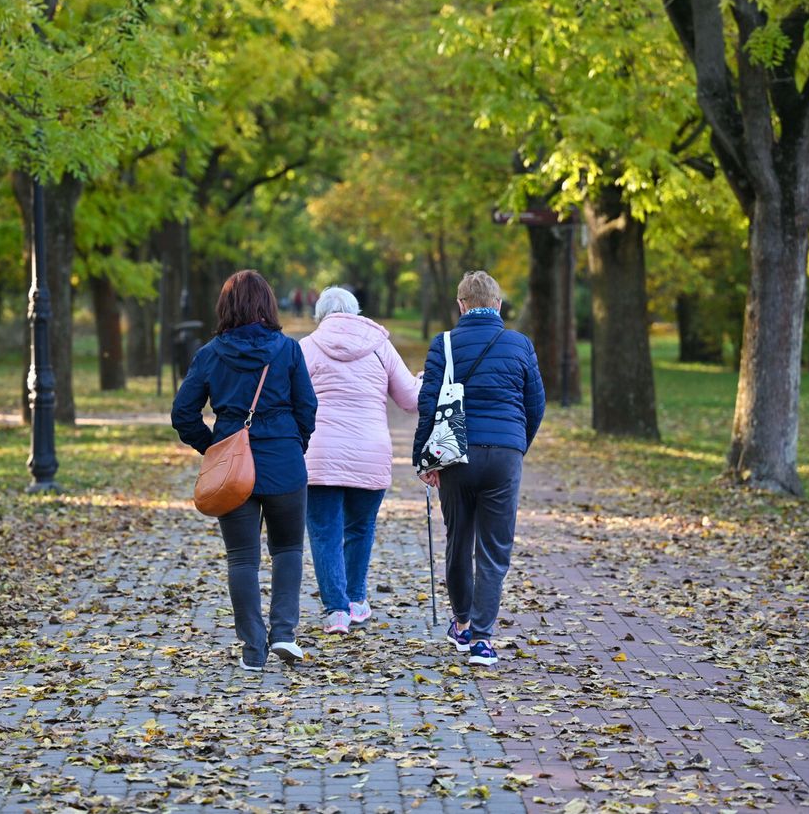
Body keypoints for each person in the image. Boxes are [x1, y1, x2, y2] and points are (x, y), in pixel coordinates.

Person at [172, 270, 318, 671]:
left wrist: (214, 448)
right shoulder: (287, 351)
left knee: (241, 558)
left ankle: (253, 649)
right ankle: (284, 634)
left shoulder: (209, 354)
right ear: (267, 305)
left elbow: (183, 414)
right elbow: (307, 408)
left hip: (232, 470)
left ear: (226, 307)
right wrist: (295, 443)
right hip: (284, 461)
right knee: (288, 550)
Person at [412, 270, 545, 666]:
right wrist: (517, 446)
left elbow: (428, 406)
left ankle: (462, 623)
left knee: (459, 539)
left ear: (461, 305)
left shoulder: (444, 344)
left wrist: (424, 458)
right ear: (498, 305)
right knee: (494, 547)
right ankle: (483, 640)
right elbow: (535, 405)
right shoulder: (520, 344)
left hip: (457, 454)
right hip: (504, 454)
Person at [300, 287, 421, 634]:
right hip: (371, 452)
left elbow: (287, 397)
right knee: (360, 527)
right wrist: (425, 380)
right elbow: (410, 400)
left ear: (320, 315)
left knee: (324, 532)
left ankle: (336, 611)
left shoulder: (305, 348)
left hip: (320, 452)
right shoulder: (380, 346)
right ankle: (355, 600)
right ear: (356, 312)